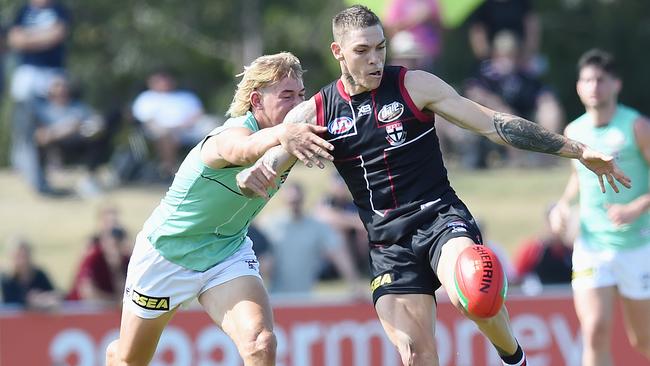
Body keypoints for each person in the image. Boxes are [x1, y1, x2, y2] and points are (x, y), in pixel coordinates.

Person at [239, 6, 630, 366]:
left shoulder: (415, 85)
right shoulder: (318, 112)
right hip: (387, 247)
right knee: (415, 355)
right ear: (338, 52)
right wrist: (255, 173)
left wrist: (578, 150)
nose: (375, 59)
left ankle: (513, 357)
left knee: (475, 288)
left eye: (380, 47)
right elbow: (269, 164)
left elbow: (493, 123)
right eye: (362, 51)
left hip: (440, 219)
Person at [105, 52, 334, 366]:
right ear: (257, 100)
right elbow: (243, 151)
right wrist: (282, 134)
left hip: (226, 252)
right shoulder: (228, 135)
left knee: (260, 344)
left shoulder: (291, 135)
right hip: (167, 255)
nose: (296, 104)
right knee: (130, 359)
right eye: (286, 96)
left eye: (300, 95)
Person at [549, 49, 650, 366]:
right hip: (592, 245)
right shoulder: (573, 132)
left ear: (616, 84)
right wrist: (563, 206)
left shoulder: (636, 127)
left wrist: (637, 206)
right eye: (587, 80)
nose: (594, 86)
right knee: (594, 331)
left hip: (638, 245)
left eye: (601, 80)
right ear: (579, 86)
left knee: (643, 339)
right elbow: (578, 178)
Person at [261, 182, 362, 295]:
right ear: (283, 200)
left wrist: (354, 283)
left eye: (297, 201)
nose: (294, 204)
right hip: (275, 297)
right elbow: (259, 259)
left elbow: (338, 252)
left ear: (303, 199)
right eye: (291, 202)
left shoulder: (316, 227)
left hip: (305, 297)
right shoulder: (269, 224)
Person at [132, 69, 218, 180]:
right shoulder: (146, 98)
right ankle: (169, 169)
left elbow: (198, 114)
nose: (164, 83)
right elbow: (145, 120)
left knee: (213, 126)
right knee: (165, 134)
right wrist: (170, 129)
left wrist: (183, 126)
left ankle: (213, 168)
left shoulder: (186, 97)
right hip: (160, 132)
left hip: (188, 130)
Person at [67, 227, 130, 305]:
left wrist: (117, 269)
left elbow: (126, 290)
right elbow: (87, 292)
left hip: (107, 308)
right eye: (114, 245)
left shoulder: (126, 260)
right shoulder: (94, 257)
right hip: (79, 307)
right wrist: (114, 301)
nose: (115, 250)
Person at [1, 237, 60, 310]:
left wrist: (43, 298)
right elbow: (9, 300)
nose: (22, 261)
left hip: (39, 320)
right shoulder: (6, 279)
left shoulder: (39, 274)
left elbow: (55, 294)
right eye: (18, 256)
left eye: (25, 256)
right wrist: (29, 300)